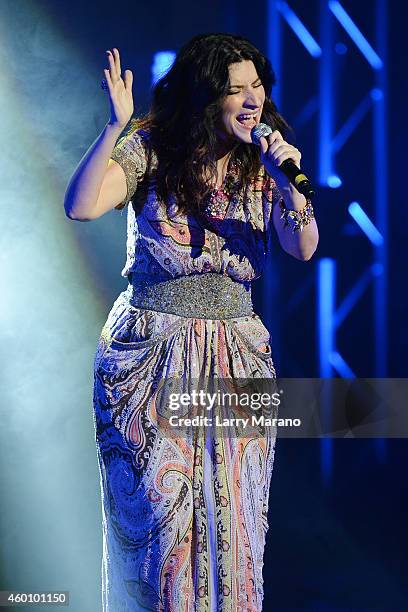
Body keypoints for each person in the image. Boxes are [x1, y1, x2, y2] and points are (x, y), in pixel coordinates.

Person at [64, 33, 318, 611]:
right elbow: (81, 206)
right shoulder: (151, 146)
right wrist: (115, 127)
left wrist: (286, 182)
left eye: (258, 86)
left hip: (235, 358)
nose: (252, 100)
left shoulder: (266, 160)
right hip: (154, 356)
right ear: (207, 97)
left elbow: (303, 247)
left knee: (237, 533)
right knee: (161, 535)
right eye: (236, 90)